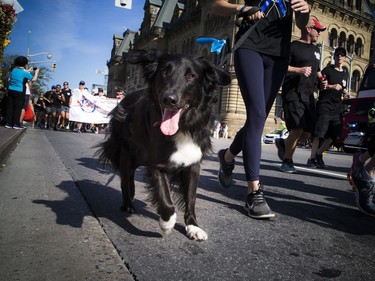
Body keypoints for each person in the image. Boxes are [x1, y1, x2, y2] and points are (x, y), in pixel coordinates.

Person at [212, 0, 310, 219]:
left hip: (280, 56)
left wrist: (306, 10)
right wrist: (243, 9)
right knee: (256, 115)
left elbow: (302, 22)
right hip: (250, 47)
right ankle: (253, 193)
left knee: (257, 120)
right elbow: (216, 6)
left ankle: (227, 157)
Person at [275, 16, 326, 174]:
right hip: (293, 92)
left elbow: (316, 69)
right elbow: (280, 67)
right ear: (308, 29)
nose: (319, 33)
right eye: (317, 29)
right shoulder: (293, 46)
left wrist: (322, 80)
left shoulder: (316, 50)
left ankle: (284, 144)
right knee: (297, 128)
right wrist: (299, 70)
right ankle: (287, 162)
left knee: (307, 133)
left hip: (308, 96)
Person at [307, 47, 349, 169]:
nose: (339, 57)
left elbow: (343, 88)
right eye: (337, 55)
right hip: (325, 106)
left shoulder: (345, 74)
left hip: (337, 108)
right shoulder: (327, 70)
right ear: (334, 57)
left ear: (345, 58)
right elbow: (321, 86)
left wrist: (345, 92)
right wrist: (332, 86)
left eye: (342, 55)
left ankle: (319, 153)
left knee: (335, 135)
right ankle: (312, 159)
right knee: (319, 134)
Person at [5, 56, 39, 129]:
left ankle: (8, 123)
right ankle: (16, 124)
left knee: (10, 107)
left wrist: (28, 70)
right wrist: (36, 72)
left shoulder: (13, 70)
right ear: (25, 64)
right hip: (19, 91)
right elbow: (34, 79)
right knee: (18, 108)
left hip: (11, 90)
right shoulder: (24, 73)